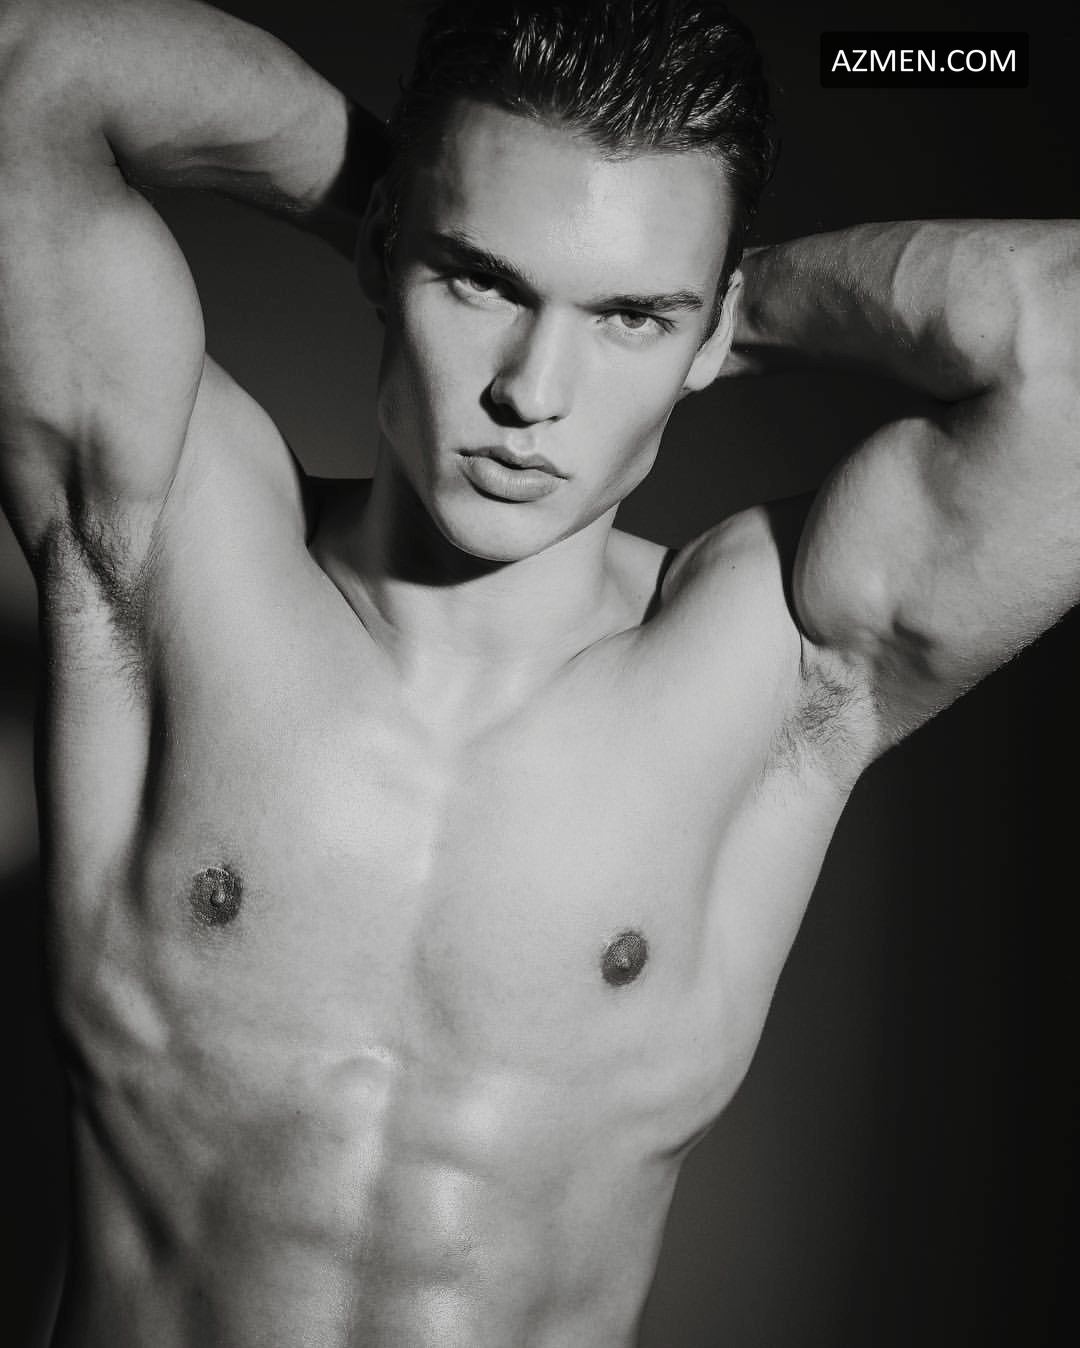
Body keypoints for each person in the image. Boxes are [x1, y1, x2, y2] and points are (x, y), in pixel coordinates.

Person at [1, 0, 1076, 1344]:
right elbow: (31, 71)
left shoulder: (774, 667)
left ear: (705, 333)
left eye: (629, 317)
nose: (532, 390)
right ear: (387, 247)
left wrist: (726, 303)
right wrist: (403, 199)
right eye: (483, 282)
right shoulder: (167, 551)